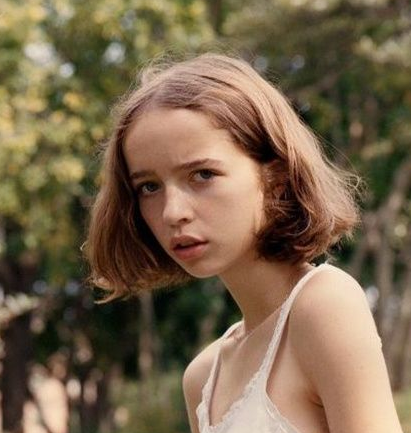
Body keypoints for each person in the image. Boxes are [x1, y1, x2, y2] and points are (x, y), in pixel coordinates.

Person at [83, 52, 404, 433]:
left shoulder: (324, 304)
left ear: (275, 177)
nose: (172, 212)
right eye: (149, 187)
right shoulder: (202, 378)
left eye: (202, 174)